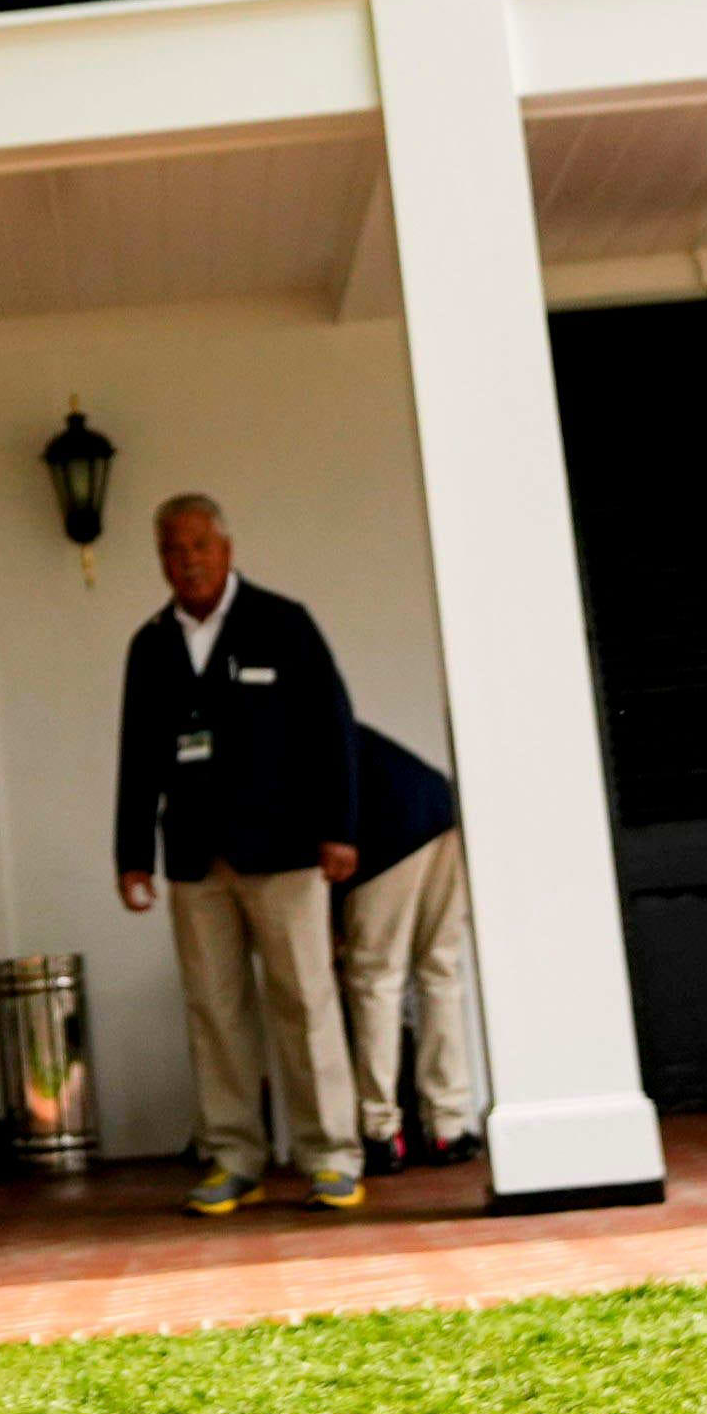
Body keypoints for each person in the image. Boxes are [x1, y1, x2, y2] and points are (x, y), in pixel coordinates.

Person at [106, 493, 369, 1217]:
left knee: (304, 1002)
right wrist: (132, 854)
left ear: (225, 548)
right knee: (215, 1012)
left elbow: (333, 730)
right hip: (195, 860)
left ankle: (331, 1158)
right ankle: (234, 1158)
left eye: (197, 546)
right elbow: (138, 755)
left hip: (284, 851)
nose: (185, 560)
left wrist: (340, 828)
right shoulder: (150, 644)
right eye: (170, 549)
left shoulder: (282, 623)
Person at [338, 714, 485, 1179]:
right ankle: (450, 1126)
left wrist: (333, 915)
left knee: (374, 981)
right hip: (441, 810)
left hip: (386, 831)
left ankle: (381, 1134)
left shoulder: (274, 736)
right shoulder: (326, 717)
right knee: (439, 971)